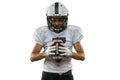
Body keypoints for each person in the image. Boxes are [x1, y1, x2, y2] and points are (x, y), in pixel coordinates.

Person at [30, 2, 85, 80]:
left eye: (60, 20)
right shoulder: (42, 32)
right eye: (53, 20)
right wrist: (44, 54)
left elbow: (82, 56)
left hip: (67, 73)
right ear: (48, 19)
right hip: (48, 74)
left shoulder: (73, 31)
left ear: (65, 19)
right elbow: (32, 57)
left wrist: (70, 53)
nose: (56, 23)